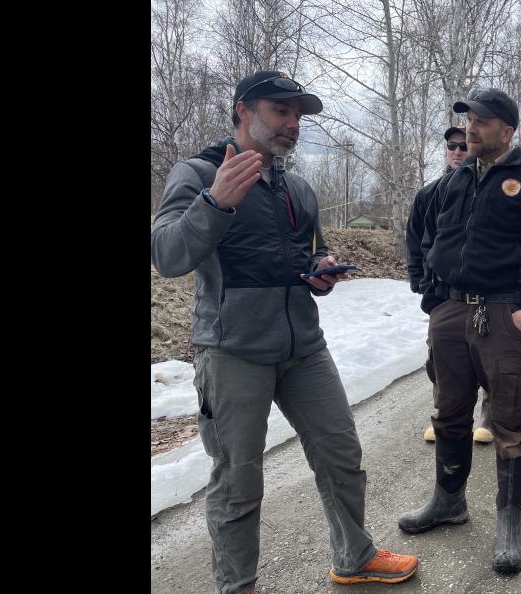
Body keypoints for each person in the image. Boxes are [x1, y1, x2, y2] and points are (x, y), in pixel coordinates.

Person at [151, 70, 419, 594]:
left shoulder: (297, 187)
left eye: (298, 115)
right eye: (281, 111)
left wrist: (322, 269)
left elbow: (308, 253)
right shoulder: (199, 172)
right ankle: (237, 587)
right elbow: (167, 256)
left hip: (303, 348)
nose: (292, 124)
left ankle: (355, 556)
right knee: (237, 480)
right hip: (232, 353)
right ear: (242, 111)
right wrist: (215, 203)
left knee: (341, 454)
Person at [398, 88, 521, 575]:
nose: (471, 129)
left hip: (503, 315)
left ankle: (507, 525)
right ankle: (448, 502)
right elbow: (419, 233)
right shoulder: (450, 183)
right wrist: (430, 295)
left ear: (508, 130)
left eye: (482, 121)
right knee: (449, 412)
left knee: (507, 423)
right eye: (468, 120)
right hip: (450, 313)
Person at [406, 126, 493, 445]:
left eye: (463, 146)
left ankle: (491, 417)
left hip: (489, 296)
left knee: (489, 359)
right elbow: (415, 240)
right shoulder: (430, 193)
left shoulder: (492, 188)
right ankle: (448, 415)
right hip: (443, 295)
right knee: (440, 359)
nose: (457, 151)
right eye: (451, 146)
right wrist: (420, 282)